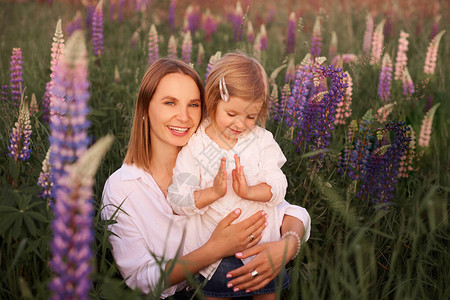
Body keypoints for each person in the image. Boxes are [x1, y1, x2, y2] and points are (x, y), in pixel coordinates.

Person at [101, 58, 311, 299]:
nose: (183, 116)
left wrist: (288, 245)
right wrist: (215, 249)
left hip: (243, 272)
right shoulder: (123, 187)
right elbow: (141, 279)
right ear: (145, 108)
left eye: (193, 104)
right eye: (170, 103)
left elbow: (284, 210)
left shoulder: (214, 154)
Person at [167, 52, 294, 299]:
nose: (240, 124)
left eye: (250, 116)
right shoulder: (196, 146)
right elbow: (177, 198)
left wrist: (251, 192)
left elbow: (278, 184)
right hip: (213, 257)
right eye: (231, 113)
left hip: (261, 250)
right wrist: (211, 193)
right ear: (213, 101)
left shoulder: (261, 141)